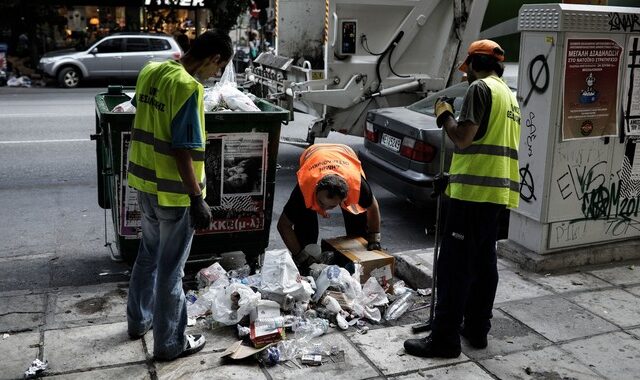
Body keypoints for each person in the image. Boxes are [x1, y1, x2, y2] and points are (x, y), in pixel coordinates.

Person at [404, 40, 521, 358]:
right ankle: (477, 329)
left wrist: (445, 116)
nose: (465, 73)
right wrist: (452, 178)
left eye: (467, 66)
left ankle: (444, 340)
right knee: (484, 264)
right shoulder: (509, 97)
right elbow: (489, 148)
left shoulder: (480, 89)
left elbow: (463, 139)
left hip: (473, 197)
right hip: (495, 194)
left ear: (475, 63)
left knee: (454, 267)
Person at [126, 30, 232, 361]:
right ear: (215, 58)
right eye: (220, 68)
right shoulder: (189, 89)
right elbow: (182, 148)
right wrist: (197, 198)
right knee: (171, 270)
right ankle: (170, 344)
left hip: (144, 185)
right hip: (174, 195)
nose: (216, 75)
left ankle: (138, 321)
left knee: (148, 256)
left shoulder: (150, 70)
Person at [277, 143, 382, 273]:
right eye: (321, 203)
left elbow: (372, 206)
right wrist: (301, 256)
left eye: (332, 206)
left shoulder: (357, 185)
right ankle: (305, 268)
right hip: (313, 154)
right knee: (306, 234)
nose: (325, 208)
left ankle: (355, 267)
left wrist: (374, 238)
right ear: (315, 190)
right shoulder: (304, 189)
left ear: (344, 198)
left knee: (358, 230)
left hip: (345, 154)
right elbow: (283, 225)